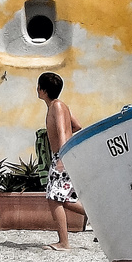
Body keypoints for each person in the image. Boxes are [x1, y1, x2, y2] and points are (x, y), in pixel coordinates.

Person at [38, 71, 83, 251]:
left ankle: (64, 243)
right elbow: (77, 126)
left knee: (54, 199)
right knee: (63, 199)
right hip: (64, 155)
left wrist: (62, 157)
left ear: (42, 89)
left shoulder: (56, 106)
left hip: (62, 156)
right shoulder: (59, 105)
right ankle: (102, 219)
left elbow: (63, 131)